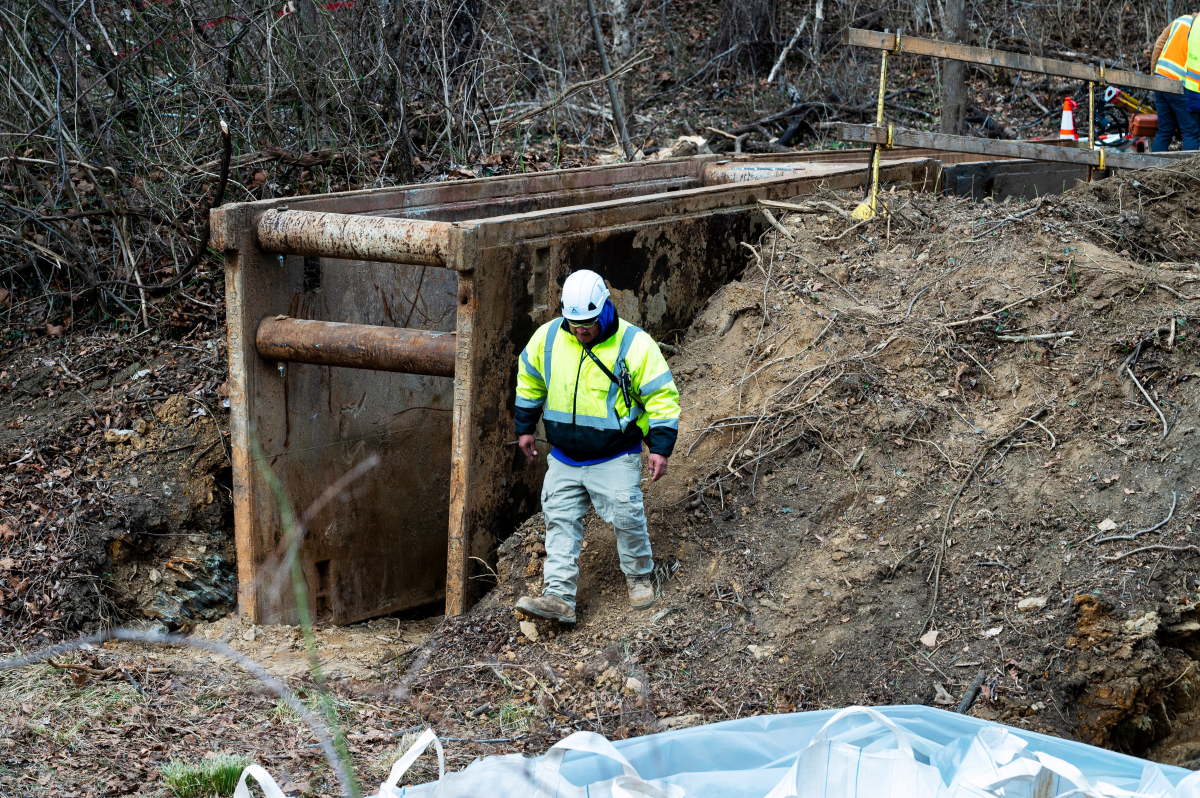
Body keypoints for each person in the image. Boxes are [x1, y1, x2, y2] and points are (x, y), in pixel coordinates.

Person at [512, 269, 680, 624]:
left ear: (605, 307)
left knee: (626, 515)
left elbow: (661, 397)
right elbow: (529, 376)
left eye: (588, 322)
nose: (581, 329)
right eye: (574, 323)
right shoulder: (548, 338)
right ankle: (558, 597)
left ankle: (638, 576)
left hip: (615, 453)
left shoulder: (635, 344)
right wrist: (525, 426)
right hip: (564, 456)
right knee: (558, 520)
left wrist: (660, 447)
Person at [1154, 13, 1199, 151]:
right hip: (1180, 85)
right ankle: (1189, 172)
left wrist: (1153, 77)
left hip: (1160, 79)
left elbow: (1158, 45)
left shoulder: (1179, 21)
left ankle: (1151, 170)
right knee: (1191, 131)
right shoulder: (1197, 29)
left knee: (1164, 130)